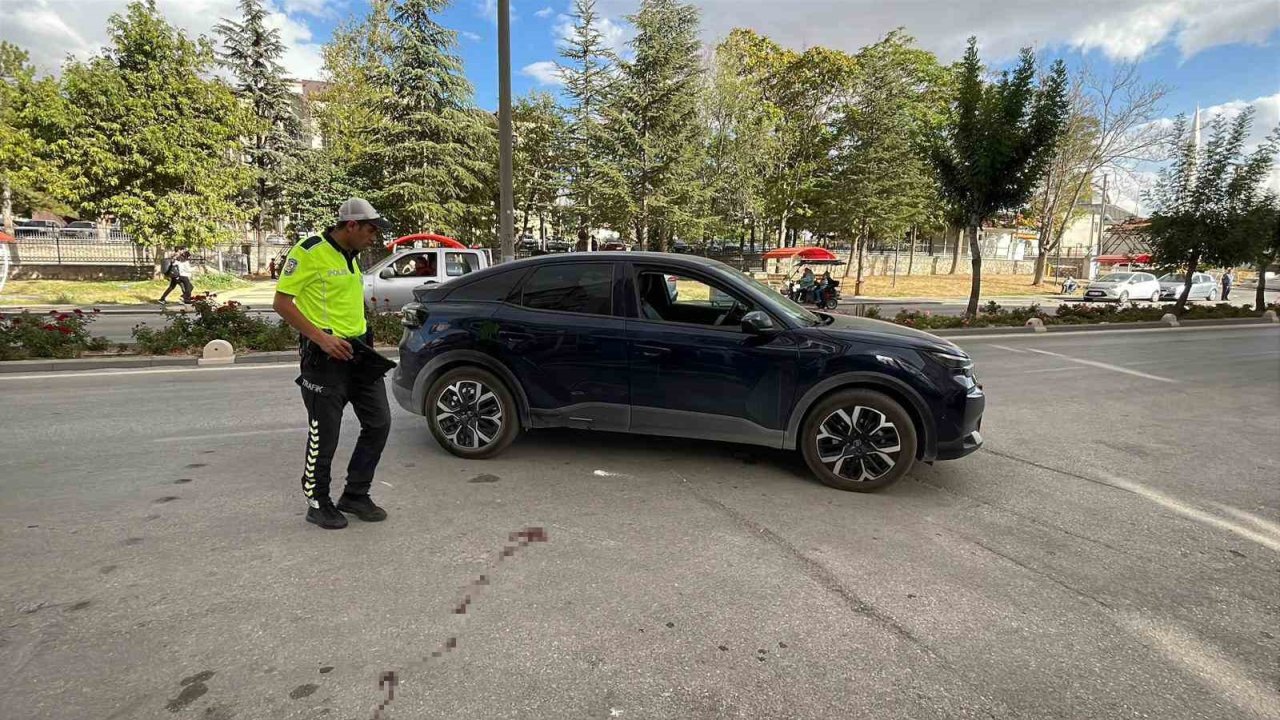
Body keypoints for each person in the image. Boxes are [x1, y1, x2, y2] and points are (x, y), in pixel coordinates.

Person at [273, 198, 393, 530]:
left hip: (358, 354)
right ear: (351, 225)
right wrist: (321, 338)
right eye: (370, 230)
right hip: (324, 356)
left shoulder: (352, 257)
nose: (374, 238)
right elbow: (282, 303)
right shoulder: (310, 251)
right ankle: (318, 501)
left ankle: (355, 494)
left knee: (379, 423)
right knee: (324, 434)